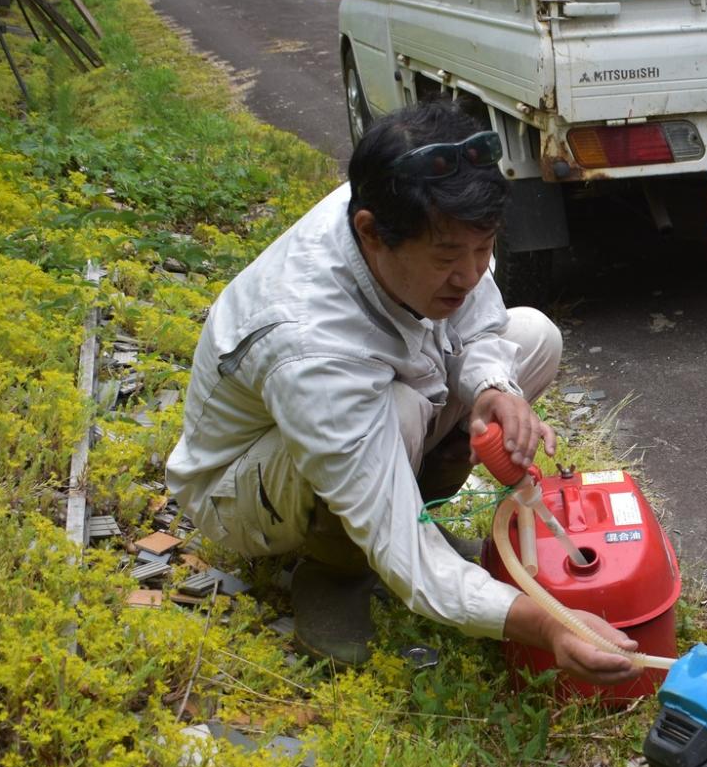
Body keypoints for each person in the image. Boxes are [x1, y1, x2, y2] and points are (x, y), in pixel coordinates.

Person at [166, 99, 636, 684]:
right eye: (447, 258)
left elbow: (479, 320)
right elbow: (406, 553)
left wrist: (493, 390)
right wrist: (547, 623)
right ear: (370, 234)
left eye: (484, 248)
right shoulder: (311, 344)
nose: (468, 273)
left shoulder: (421, 210)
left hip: (368, 407)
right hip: (235, 489)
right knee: (400, 407)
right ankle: (336, 569)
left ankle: (409, 508)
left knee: (533, 336)